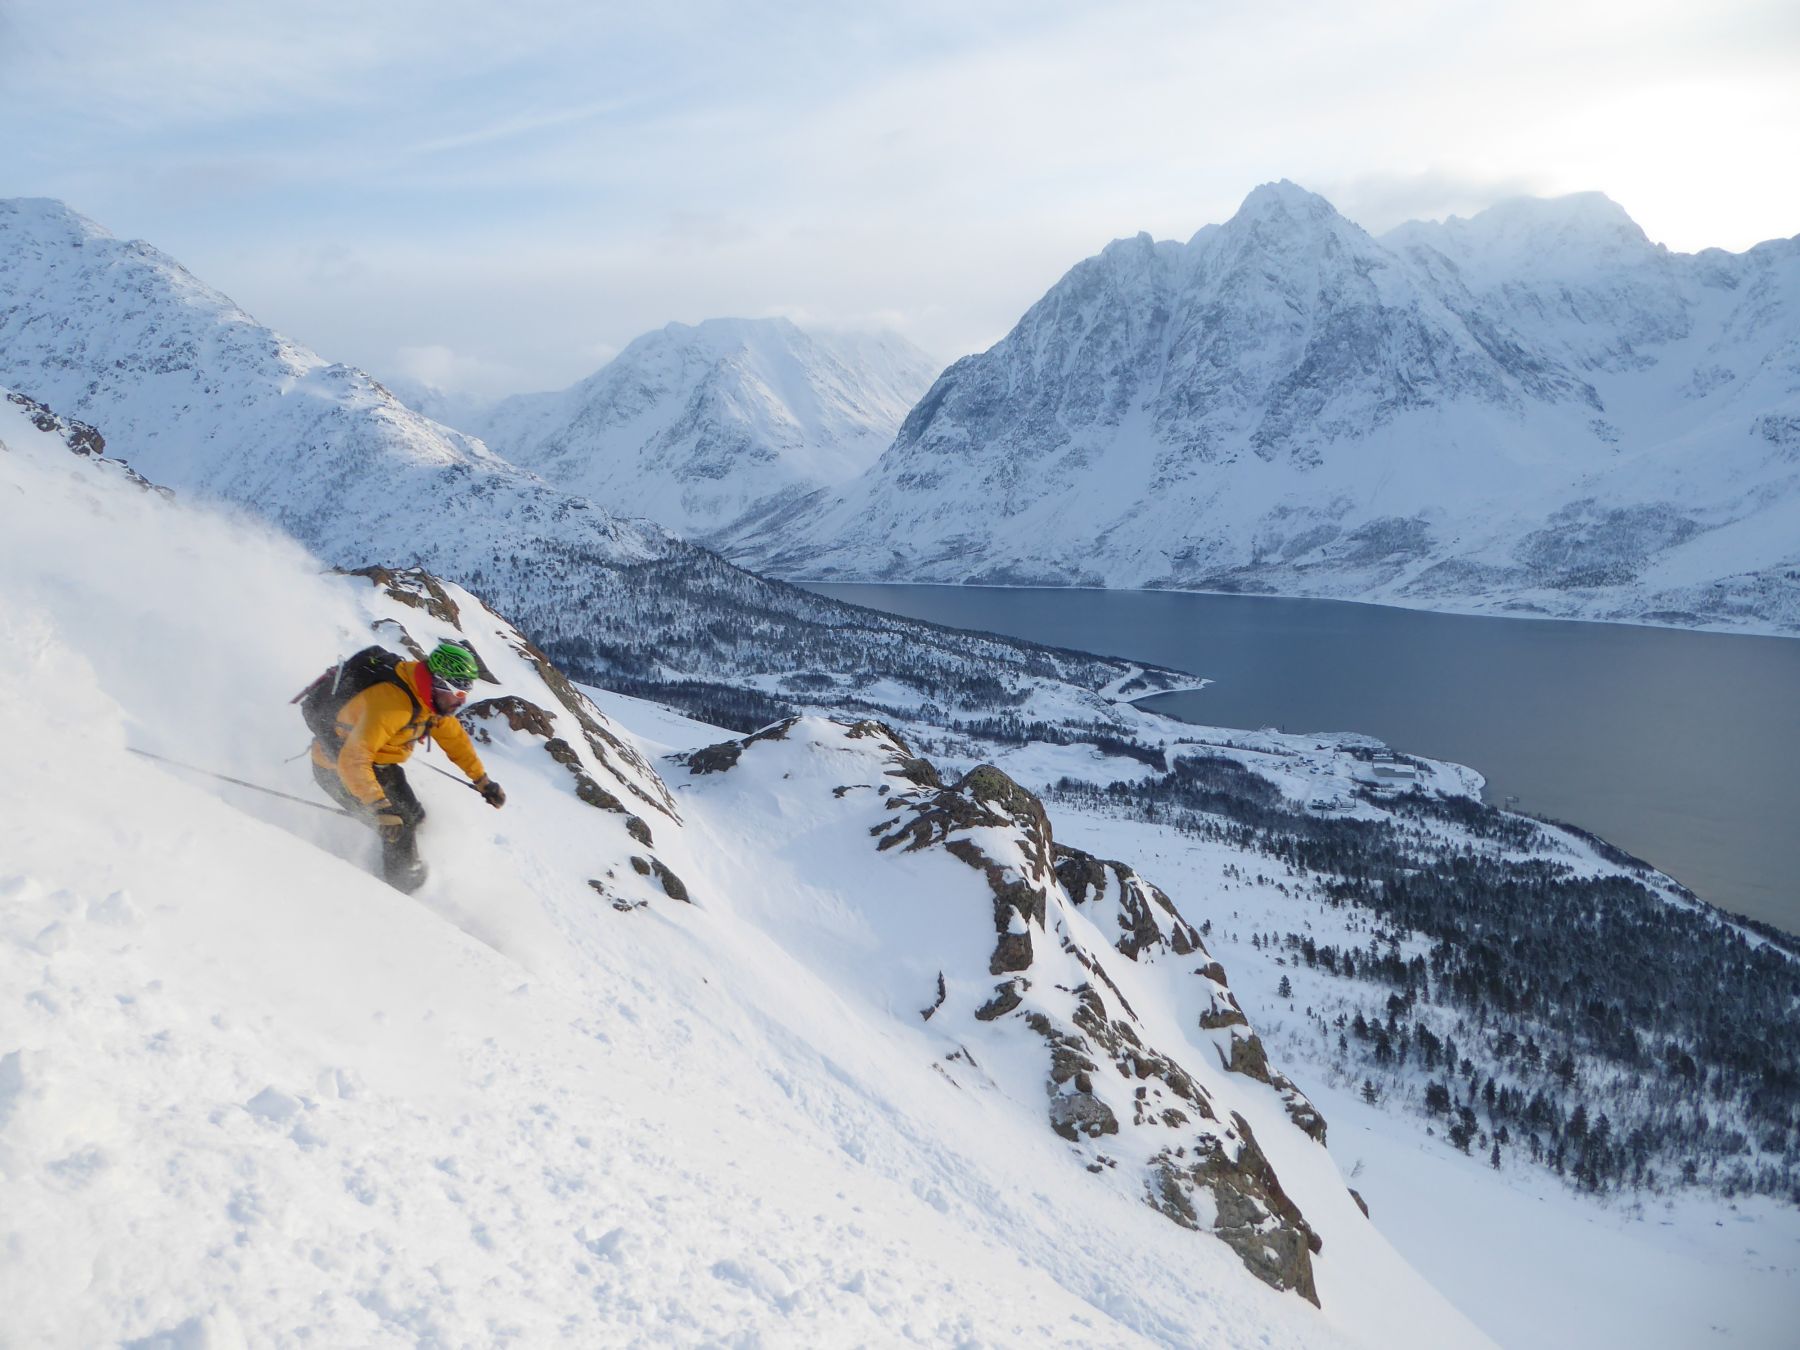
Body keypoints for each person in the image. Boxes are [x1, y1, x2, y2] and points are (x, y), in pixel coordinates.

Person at [309, 641, 505, 891]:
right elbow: (352, 760)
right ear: (439, 681)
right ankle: (403, 893)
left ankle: (406, 865)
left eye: (466, 692)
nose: (461, 700)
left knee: (415, 817)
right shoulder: (391, 705)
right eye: (458, 691)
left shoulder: (429, 703)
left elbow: (454, 740)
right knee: (397, 828)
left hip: (381, 765)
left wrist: (482, 781)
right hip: (336, 769)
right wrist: (379, 807)